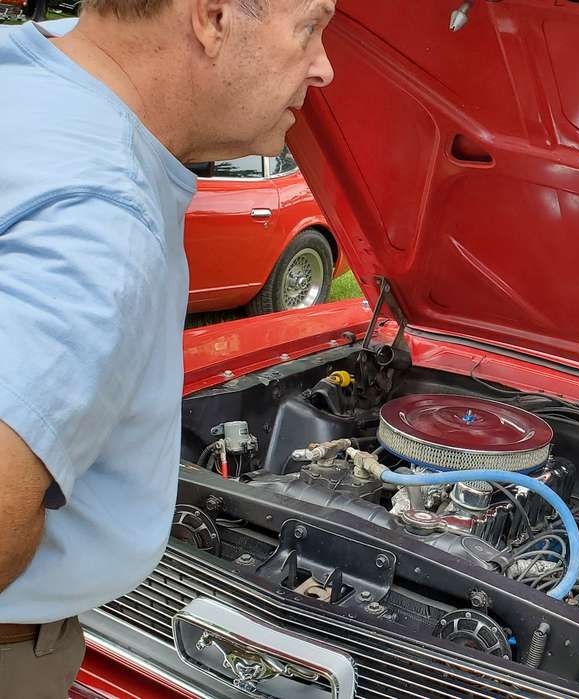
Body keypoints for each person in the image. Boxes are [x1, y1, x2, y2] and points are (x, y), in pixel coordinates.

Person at [0, 0, 333, 693]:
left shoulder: (28, 69)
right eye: (310, 27)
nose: (324, 67)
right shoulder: (102, 219)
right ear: (211, 17)